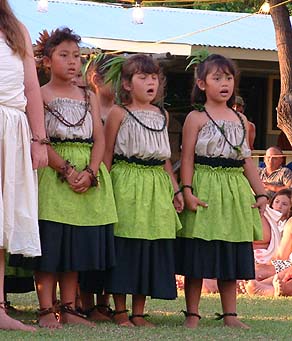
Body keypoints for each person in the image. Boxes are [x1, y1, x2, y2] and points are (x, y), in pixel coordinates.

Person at [20, 27, 117, 329]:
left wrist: (90, 171)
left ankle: (70, 306)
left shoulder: (89, 96)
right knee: (51, 244)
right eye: (64, 55)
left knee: (75, 245)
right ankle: (46, 307)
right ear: (47, 61)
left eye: (77, 56)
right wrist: (66, 170)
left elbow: (99, 139)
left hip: (88, 176)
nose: (73, 62)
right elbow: (40, 139)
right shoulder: (39, 94)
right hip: (53, 176)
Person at [175, 54, 266, 329]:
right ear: (202, 83)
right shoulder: (195, 117)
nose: (224, 83)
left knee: (231, 249)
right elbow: (187, 157)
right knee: (198, 251)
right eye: (217, 78)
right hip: (204, 186)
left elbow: (246, 159)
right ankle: (192, 313)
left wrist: (261, 193)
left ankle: (230, 315)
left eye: (228, 78)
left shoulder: (240, 119)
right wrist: (187, 190)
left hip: (233, 189)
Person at [104, 54, 183, 327]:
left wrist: (175, 191)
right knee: (125, 244)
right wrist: (103, 188)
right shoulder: (118, 113)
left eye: (154, 78)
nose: (151, 82)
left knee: (149, 247)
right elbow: (106, 153)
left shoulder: (163, 114)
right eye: (143, 77)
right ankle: (120, 311)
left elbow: (165, 159)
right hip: (126, 182)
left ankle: (139, 312)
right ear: (126, 84)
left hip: (156, 186)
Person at [0, 0, 48, 331]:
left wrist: (39, 140)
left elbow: (31, 88)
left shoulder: (17, 30)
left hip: (12, 131)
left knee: (1, 225)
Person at [77, 55, 116, 322]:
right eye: (116, 76)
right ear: (96, 79)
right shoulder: (88, 108)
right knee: (86, 242)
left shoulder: (123, 110)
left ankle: (105, 302)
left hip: (114, 186)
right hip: (90, 179)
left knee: (108, 243)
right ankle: (84, 301)